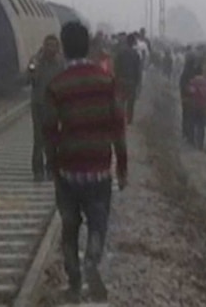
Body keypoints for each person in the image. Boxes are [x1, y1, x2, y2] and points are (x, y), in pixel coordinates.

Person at [45, 21, 127, 304]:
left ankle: (74, 284)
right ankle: (92, 260)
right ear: (88, 45)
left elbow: (48, 130)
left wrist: (52, 164)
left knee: (69, 228)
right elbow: (119, 126)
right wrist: (123, 166)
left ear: (64, 48)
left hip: (68, 167)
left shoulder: (57, 85)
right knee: (98, 222)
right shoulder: (106, 81)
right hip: (98, 167)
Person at [27, 34, 65, 181]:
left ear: (57, 47)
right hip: (38, 104)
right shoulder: (36, 61)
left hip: (54, 105)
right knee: (38, 139)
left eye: (53, 45)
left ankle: (51, 167)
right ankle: (38, 170)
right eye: (48, 45)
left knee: (52, 139)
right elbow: (28, 80)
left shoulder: (60, 63)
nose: (50, 48)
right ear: (44, 45)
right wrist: (32, 71)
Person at [113, 33, 142, 125]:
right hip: (132, 81)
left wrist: (116, 78)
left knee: (121, 100)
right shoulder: (136, 54)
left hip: (121, 80)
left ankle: (120, 118)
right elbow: (138, 70)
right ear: (133, 43)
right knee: (131, 102)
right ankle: (129, 120)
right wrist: (138, 82)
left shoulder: (120, 53)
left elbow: (116, 67)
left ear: (126, 42)